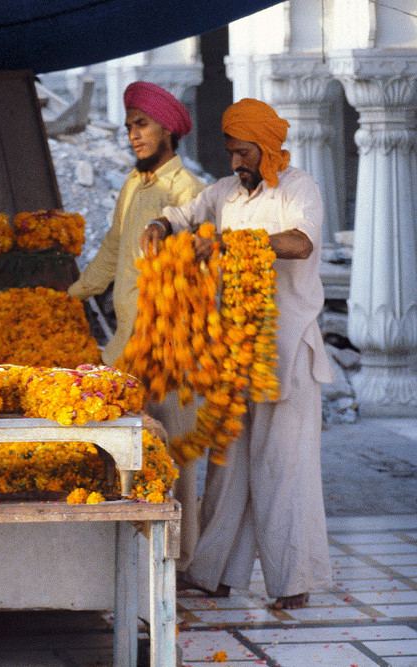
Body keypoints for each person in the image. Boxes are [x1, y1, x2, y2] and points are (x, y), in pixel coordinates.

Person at [142, 98, 335, 610]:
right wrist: (161, 227)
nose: (236, 163)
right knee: (227, 467)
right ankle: (213, 575)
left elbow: (299, 243)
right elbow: (185, 215)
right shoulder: (227, 193)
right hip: (232, 352)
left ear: (267, 147)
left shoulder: (299, 189)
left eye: (244, 153)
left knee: (282, 466)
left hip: (285, 351)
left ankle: (292, 582)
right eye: (231, 153)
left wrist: (232, 244)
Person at [67, 81, 205, 568]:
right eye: (128, 127)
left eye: (141, 125)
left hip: (170, 350)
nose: (133, 135)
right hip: (126, 347)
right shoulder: (132, 186)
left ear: (168, 128)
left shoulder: (187, 193)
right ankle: (133, 564)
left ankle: (180, 564)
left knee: (177, 459)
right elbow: (110, 252)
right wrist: (71, 296)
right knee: (128, 451)